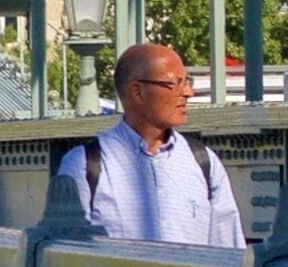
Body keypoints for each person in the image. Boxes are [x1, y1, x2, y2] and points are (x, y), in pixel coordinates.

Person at [57, 43, 244, 248]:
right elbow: (68, 260)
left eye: (187, 82)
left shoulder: (203, 162)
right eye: (175, 83)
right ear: (137, 92)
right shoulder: (85, 165)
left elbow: (230, 256)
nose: (188, 92)